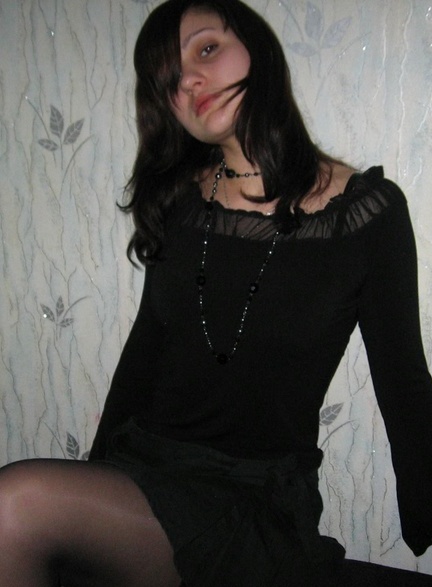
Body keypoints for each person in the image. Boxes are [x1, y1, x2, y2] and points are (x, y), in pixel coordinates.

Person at [0, 0, 431, 585]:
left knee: (13, 504)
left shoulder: (365, 215)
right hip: (147, 472)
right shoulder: (181, 203)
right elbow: (144, 352)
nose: (190, 81)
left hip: (253, 498)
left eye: (206, 49)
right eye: (169, 80)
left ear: (258, 47)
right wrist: (95, 486)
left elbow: (404, 380)